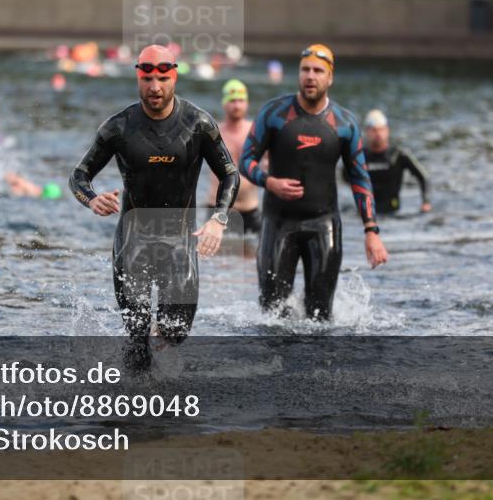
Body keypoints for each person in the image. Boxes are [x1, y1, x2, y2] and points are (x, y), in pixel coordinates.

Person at [69, 45, 239, 366]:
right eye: (147, 79)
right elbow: (79, 176)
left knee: (175, 332)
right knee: (137, 337)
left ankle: (160, 366)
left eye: (163, 79)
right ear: (138, 78)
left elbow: (230, 174)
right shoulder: (118, 127)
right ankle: (133, 392)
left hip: (179, 242)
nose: (155, 87)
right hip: (132, 242)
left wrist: (219, 219)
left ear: (174, 77)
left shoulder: (198, 124)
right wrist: (92, 199)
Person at [239, 44, 388, 321]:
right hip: (278, 223)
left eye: (318, 71)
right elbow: (245, 160)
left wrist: (371, 231)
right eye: (305, 70)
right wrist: (269, 182)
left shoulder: (345, 124)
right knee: (272, 316)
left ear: (330, 78)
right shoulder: (274, 113)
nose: (310, 76)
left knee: (321, 319)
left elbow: (360, 178)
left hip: (324, 225)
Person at [209, 79, 263, 233]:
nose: (237, 105)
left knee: (252, 249)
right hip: (216, 209)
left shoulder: (257, 132)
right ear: (224, 103)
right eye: (232, 100)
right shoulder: (213, 132)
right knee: (211, 249)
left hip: (249, 209)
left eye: (241, 100)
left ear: (247, 103)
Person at [355, 109, 431, 215]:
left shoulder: (398, 155)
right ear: (367, 132)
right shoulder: (359, 157)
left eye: (381, 129)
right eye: (374, 130)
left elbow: (423, 177)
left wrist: (426, 202)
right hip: (366, 213)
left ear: (387, 130)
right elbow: (346, 177)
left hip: (393, 212)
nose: (378, 134)